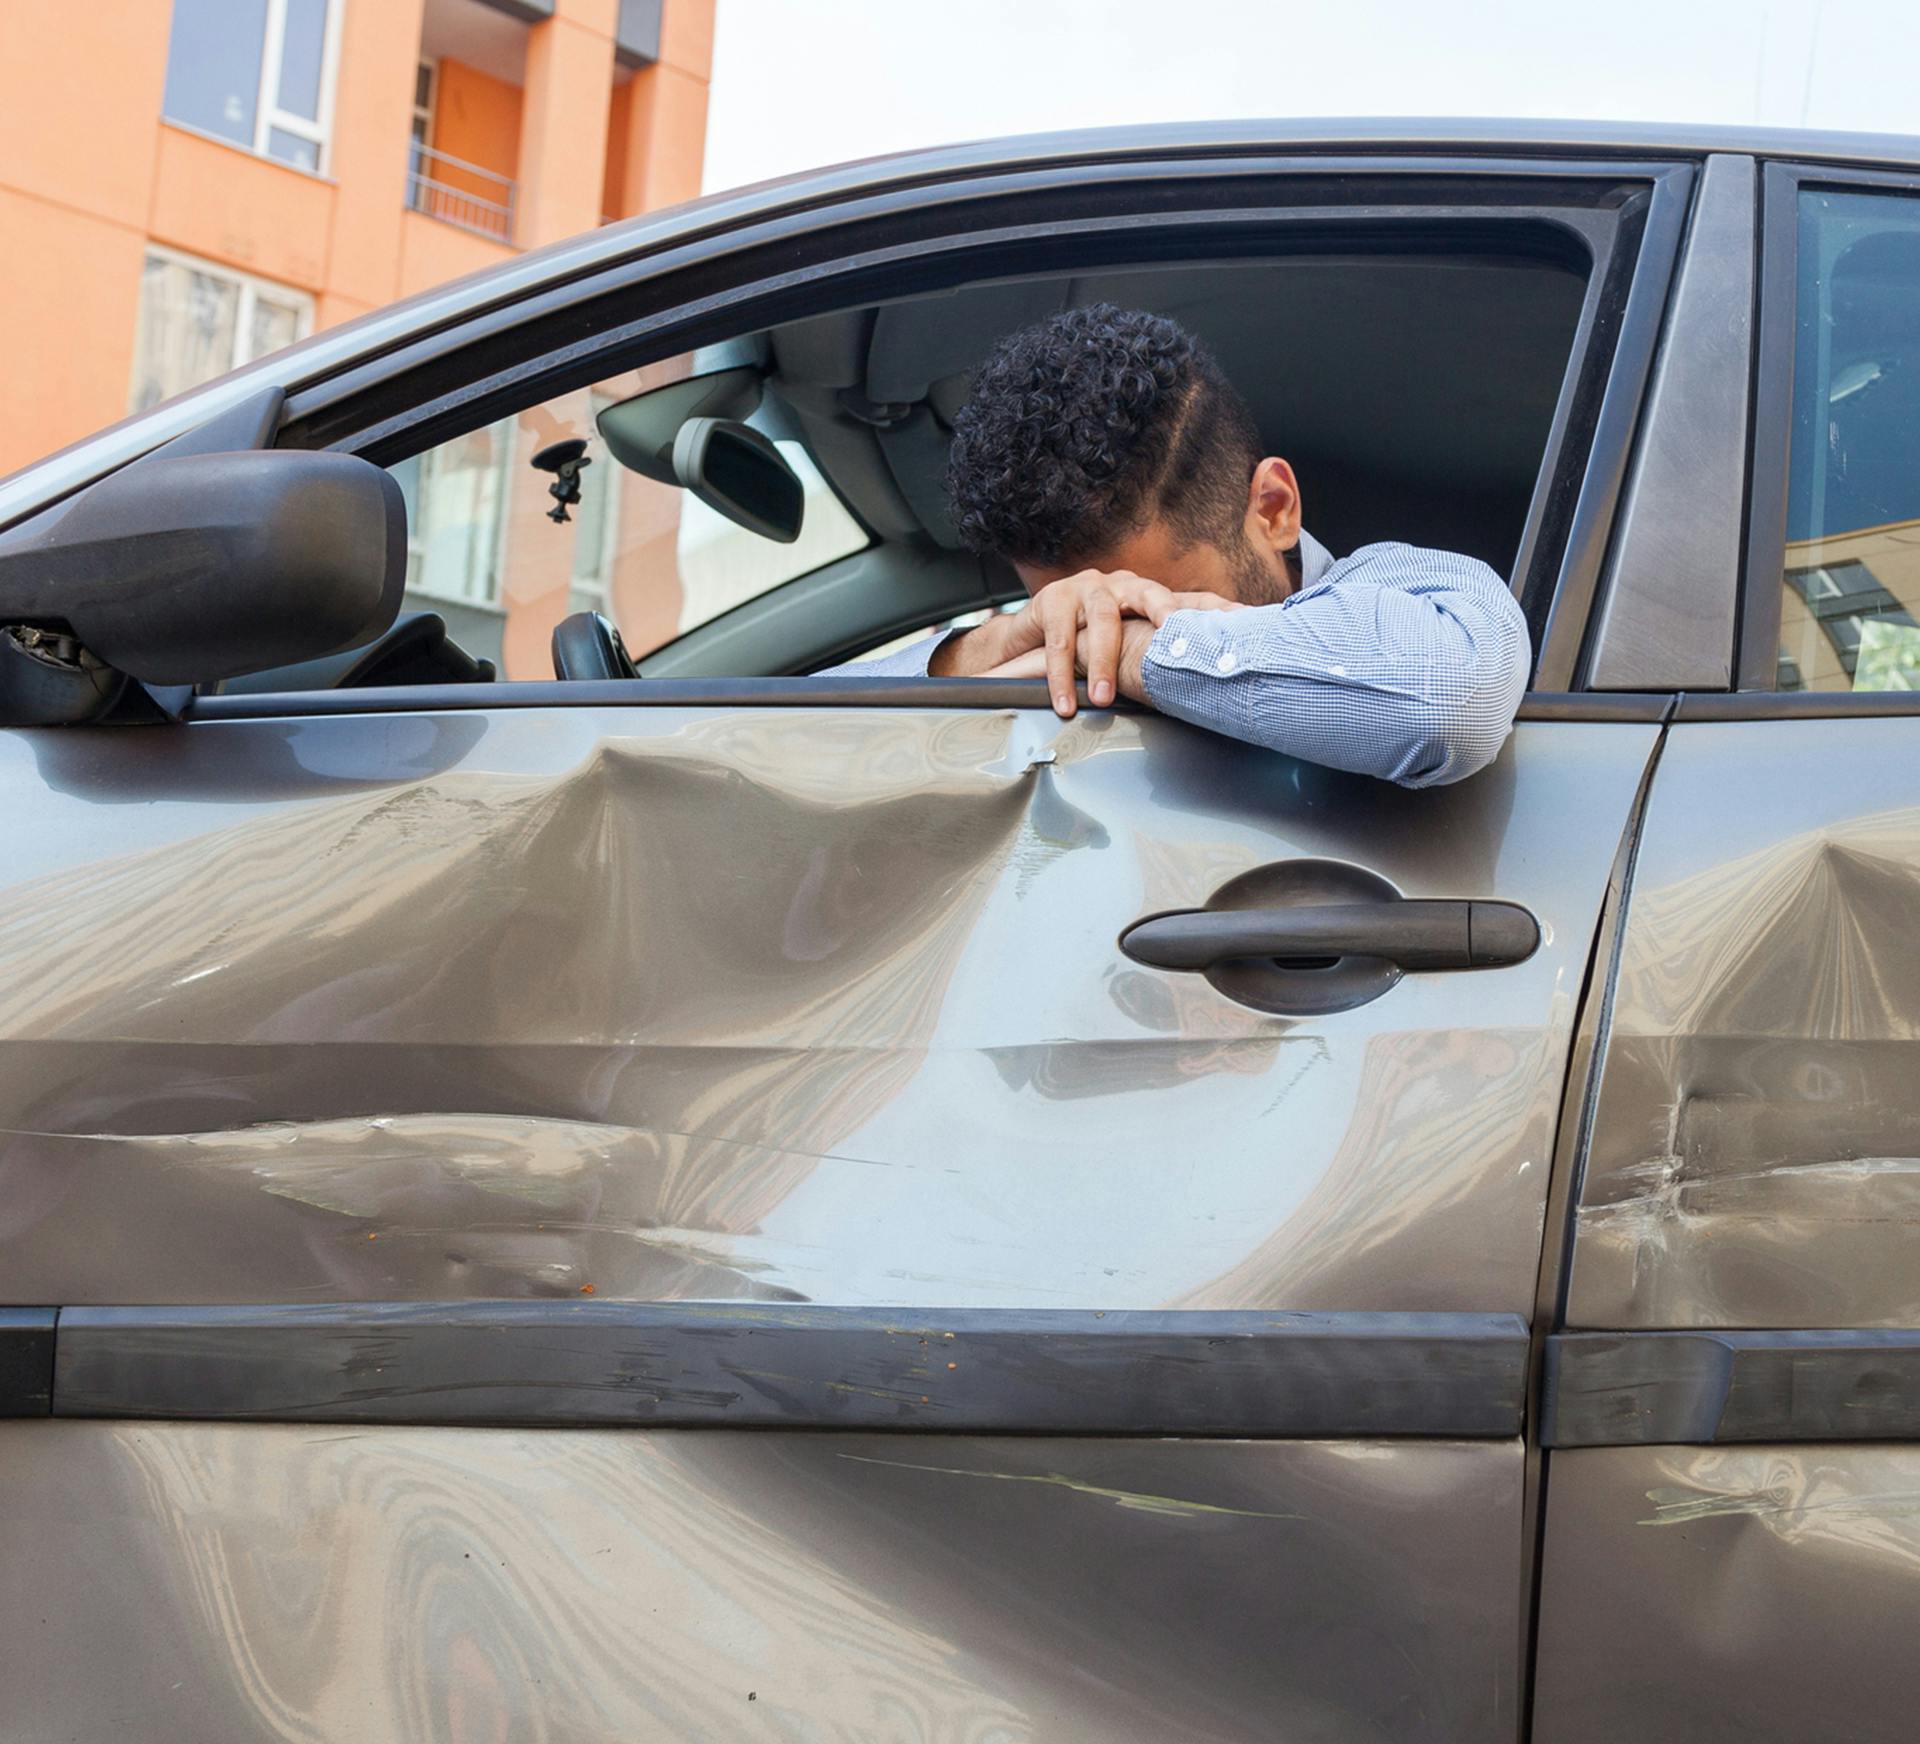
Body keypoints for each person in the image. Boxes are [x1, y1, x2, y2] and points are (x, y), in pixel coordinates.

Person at [833, 304, 1530, 788]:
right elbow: (759, 735)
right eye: (1076, 614)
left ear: (1274, 509)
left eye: (1136, 605)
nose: (1095, 625)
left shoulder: (1397, 595)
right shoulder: (1037, 643)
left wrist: (1133, 650)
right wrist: (992, 646)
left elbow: (1448, 700)